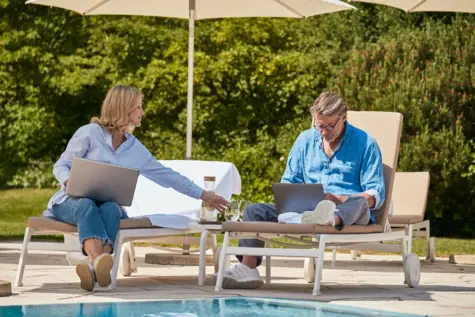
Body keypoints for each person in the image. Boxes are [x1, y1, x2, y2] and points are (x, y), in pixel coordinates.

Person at [44, 85, 229, 292]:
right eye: (138, 107)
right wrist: (69, 181)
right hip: (70, 203)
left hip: (105, 206)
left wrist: (205, 195)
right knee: (87, 204)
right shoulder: (89, 133)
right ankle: (99, 262)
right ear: (124, 108)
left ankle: (92, 266)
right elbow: (61, 166)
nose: (143, 112)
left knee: (112, 208)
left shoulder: (135, 149)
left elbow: (168, 176)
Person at [218, 91, 385, 289]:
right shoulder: (305, 140)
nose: (323, 131)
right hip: (306, 210)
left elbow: (375, 194)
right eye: (319, 125)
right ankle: (248, 268)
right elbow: (289, 180)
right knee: (254, 211)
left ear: (344, 117)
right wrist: (291, 197)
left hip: (346, 209)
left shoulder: (366, 144)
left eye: (329, 126)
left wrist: (339, 199)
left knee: (356, 203)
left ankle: (328, 218)